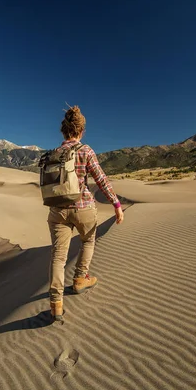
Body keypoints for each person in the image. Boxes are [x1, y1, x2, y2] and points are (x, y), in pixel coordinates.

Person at [48, 105, 124, 322]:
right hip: (83, 208)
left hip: (57, 211)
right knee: (88, 241)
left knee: (58, 256)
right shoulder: (85, 150)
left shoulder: (54, 153)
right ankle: (81, 278)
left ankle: (56, 304)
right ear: (81, 131)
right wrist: (116, 205)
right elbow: (101, 179)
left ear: (64, 132)